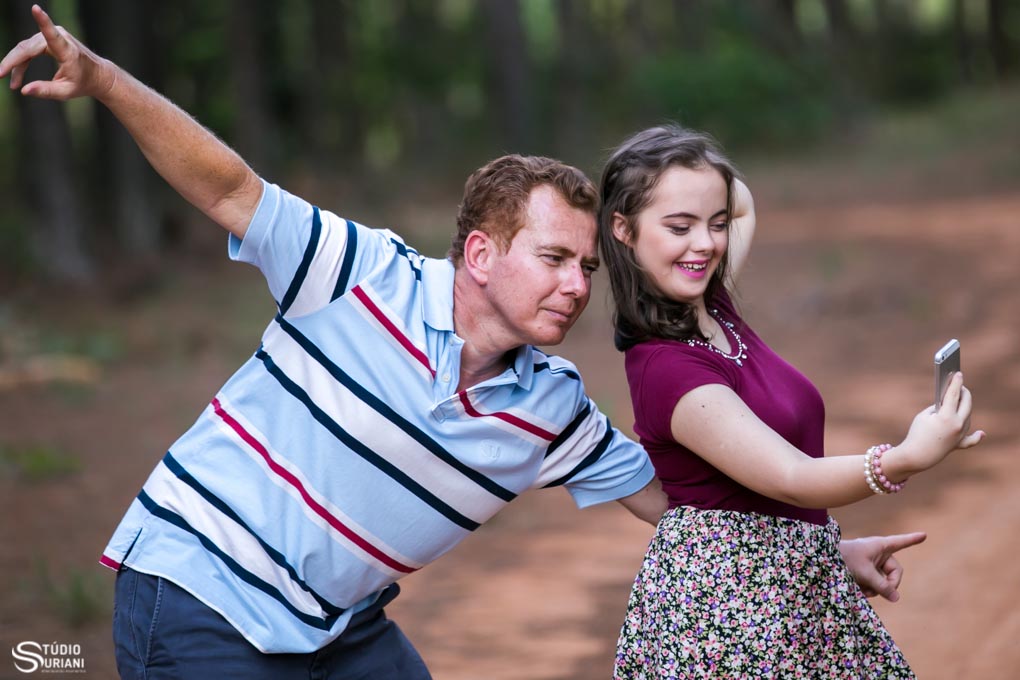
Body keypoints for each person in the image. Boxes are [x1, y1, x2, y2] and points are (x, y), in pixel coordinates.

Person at [2, 7, 935, 678]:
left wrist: (823, 553)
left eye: (585, 267)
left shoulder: (550, 406)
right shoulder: (357, 272)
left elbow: (679, 503)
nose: (576, 285)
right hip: (196, 589)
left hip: (338, 629)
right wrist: (106, 80)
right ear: (481, 253)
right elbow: (227, 187)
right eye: (553, 259)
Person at [598, 123, 986, 678]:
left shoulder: (709, 302)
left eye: (714, 224)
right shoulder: (667, 369)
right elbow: (790, 476)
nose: (705, 244)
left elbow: (744, 207)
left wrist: (821, 553)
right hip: (727, 620)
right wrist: (906, 457)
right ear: (624, 230)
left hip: (793, 592)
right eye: (679, 226)